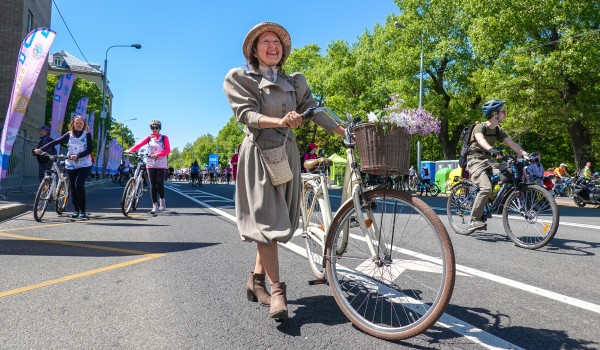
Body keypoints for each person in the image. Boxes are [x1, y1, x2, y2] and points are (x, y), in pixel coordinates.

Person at [223, 21, 345, 320]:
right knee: (267, 221)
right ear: (254, 49)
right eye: (265, 41)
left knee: (282, 220)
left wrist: (342, 131)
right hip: (260, 152)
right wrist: (280, 122)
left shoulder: (296, 80)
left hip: (287, 153)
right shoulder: (239, 77)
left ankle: (256, 280)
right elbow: (246, 114)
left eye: (276, 41)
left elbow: (313, 110)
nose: (272, 45)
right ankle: (278, 292)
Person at [465, 99, 528, 231]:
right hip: (475, 160)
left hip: (489, 161)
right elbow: (480, 140)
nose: (505, 113)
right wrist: (491, 150)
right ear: (495, 114)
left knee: (508, 172)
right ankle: (474, 220)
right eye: (503, 111)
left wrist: (526, 154)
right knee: (486, 188)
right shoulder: (480, 127)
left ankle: (488, 203)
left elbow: (512, 144)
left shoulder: (498, 130)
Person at [35, 115, 93, 218]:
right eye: (77, 123)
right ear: (73, 124)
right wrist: (41, 149)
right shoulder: (69, 134)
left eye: (81, 123)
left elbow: (89, 150)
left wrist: (78, 155)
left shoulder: (87, 135)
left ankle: (82, 210)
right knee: (73, 188)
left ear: (84, 124)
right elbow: (55, 142)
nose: (79, 124)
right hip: (71, 164)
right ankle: (76, 210)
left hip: (84, 164)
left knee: (79, 185)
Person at [126, 119, 171, 214]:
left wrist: (158, 154)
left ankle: (162, 201)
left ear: (159, 128)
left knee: (159, 185)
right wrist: (130, 150)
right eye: (152, 127)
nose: (154, 129)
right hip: (150, 164)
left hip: (161, 164)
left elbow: (167, 150)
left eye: (156, 127)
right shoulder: (149, 137)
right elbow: (139, 145)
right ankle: (155, 206)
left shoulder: (164, 138)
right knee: (152, 185)